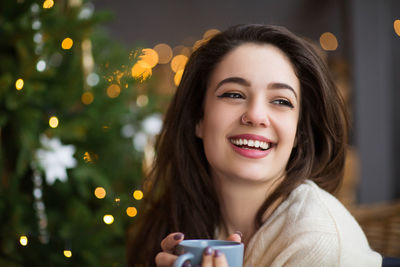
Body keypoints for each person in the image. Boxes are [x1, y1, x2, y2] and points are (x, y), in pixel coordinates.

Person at [127, 24, 382, 267]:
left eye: (281, 101)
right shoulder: (183, 218)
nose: (256, 115)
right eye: (234, 94)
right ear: (198, 118)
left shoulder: (320, 244)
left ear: (299, 134)